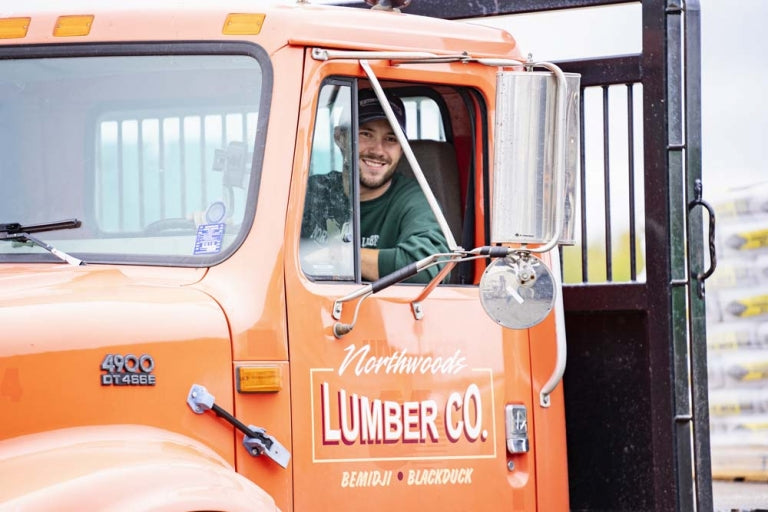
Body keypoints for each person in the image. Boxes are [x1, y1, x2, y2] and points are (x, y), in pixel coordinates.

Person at [301, 88, 449, 284]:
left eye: (391, 139)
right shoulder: (312, 192)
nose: (378, 150)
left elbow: (432, 268)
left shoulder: (414, 201)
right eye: (366, 134)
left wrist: (335, 255)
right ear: (340, 137)